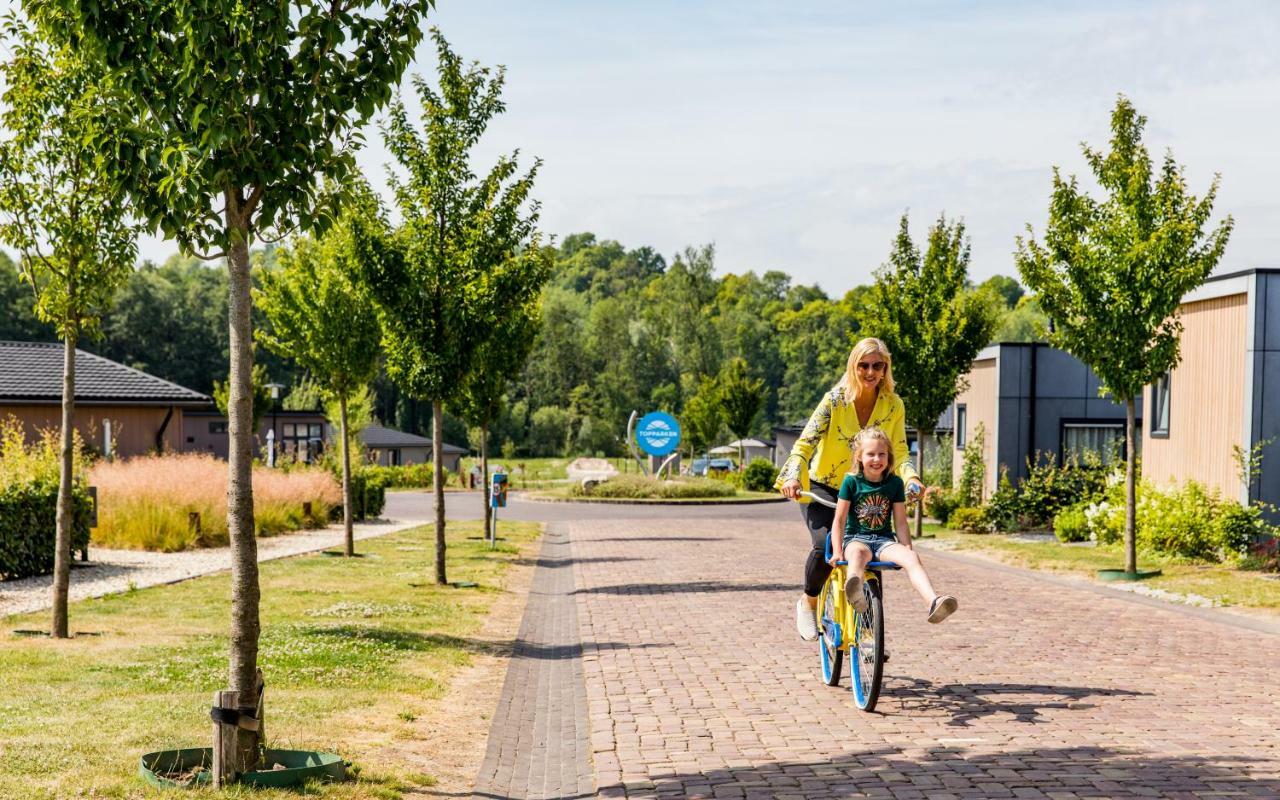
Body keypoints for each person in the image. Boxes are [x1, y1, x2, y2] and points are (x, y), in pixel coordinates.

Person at [776, 337, 923, 640]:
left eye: (877, 366)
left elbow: (899, 450)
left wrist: (911, 478)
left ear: (885, 369)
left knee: (872, 549)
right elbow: (804, 443)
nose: (870, 372)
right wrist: (792, 477)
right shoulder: (835, 400)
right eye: (863, 365)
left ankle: (869, 632)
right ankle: (809, 602)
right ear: (853, 366)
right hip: (825, 486)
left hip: (869, 489)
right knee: (824, 545)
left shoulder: (893, 405)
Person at [831, 428, 957, 622]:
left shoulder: (895, 483)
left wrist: (907, 548)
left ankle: (933, 601)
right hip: (856, 539)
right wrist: (837, 551)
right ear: (859, 457)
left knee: (912, 557)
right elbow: (839, 520)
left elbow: (900, 521)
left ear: (888, 457)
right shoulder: (851, 481)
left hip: (883, 541)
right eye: (870, 454)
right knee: (857, 554)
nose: (876, 459)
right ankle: (854, 590)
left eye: (881, 454)